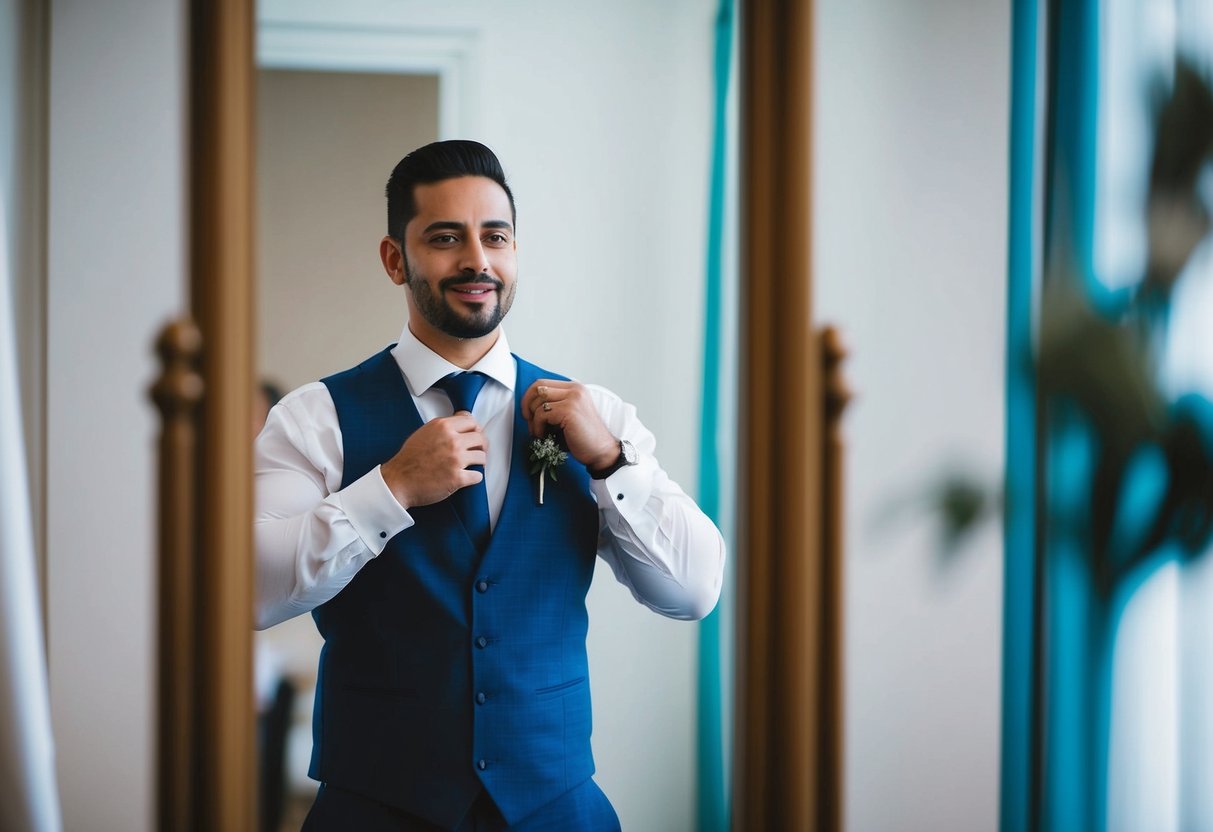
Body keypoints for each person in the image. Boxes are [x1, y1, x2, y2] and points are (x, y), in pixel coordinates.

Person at [254, 139, 725, 831]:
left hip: (556, 808)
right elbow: (249, 593)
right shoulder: (313, 419)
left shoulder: (600, 418)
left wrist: (610, 464)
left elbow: (693, 591)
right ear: (395, 259)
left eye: (494, 237)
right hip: (373, 809)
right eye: (445, 238)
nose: (476, 259)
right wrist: (389, 489)